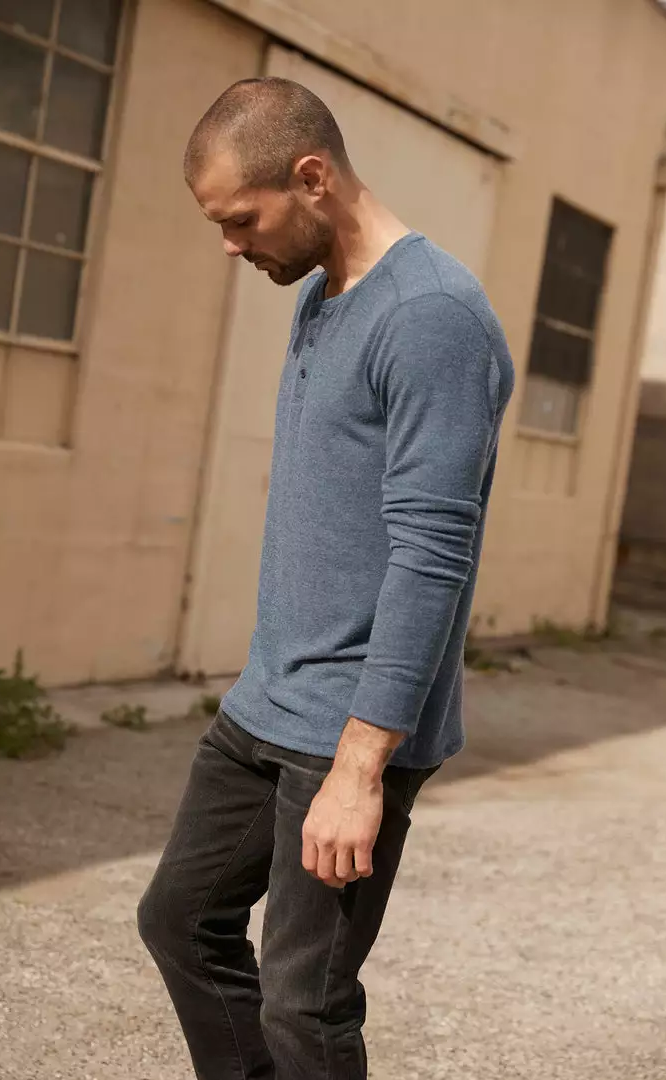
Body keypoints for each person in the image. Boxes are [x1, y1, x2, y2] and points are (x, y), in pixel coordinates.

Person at [138, 77, 514, 1080]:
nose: (231, 244)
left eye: (241, 219)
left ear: (312, 178)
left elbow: (432, 551)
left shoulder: (432, 317)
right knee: (181, 920)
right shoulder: (321, 293)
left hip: (351, 725)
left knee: (305, 1007)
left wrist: (360, 768)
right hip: (271, 698)